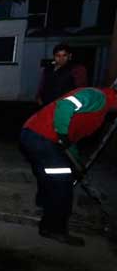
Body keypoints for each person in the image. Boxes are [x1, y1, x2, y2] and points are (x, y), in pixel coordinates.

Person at [21, 85, 117, 246]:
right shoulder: (98, 97)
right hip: (44, 137)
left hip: (33, 135)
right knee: (62, 185)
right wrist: (62, 134)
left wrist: (77, 164)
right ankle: (53, 229)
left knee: (49, 175)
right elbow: (65, 105)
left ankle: (45, 205)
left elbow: (70, 141)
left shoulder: (102, 109)